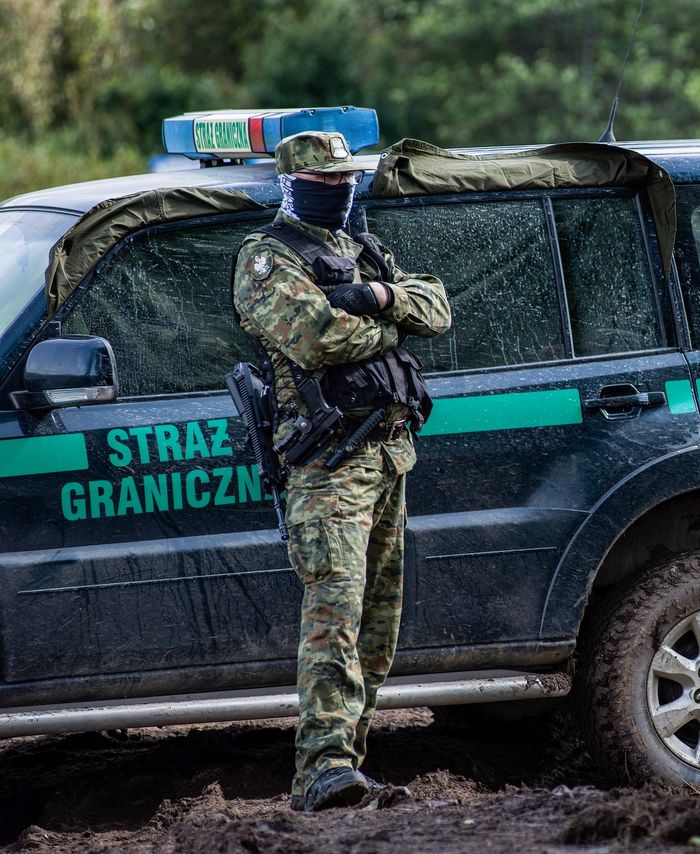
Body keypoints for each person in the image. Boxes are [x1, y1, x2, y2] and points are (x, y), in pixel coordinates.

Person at [232, 130, 451, 811]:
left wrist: (379, 299)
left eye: (347, 179)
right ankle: (320, 769)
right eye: (327, 181)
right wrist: (390, 319)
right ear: (295, 183)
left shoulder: (361, 252)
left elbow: (438, 307)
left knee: (378, 627)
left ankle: (348, 767)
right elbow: (318, 339)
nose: (342, 189)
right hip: (330, 465)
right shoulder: (267, 260)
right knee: (336, 616)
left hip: (388, 453)